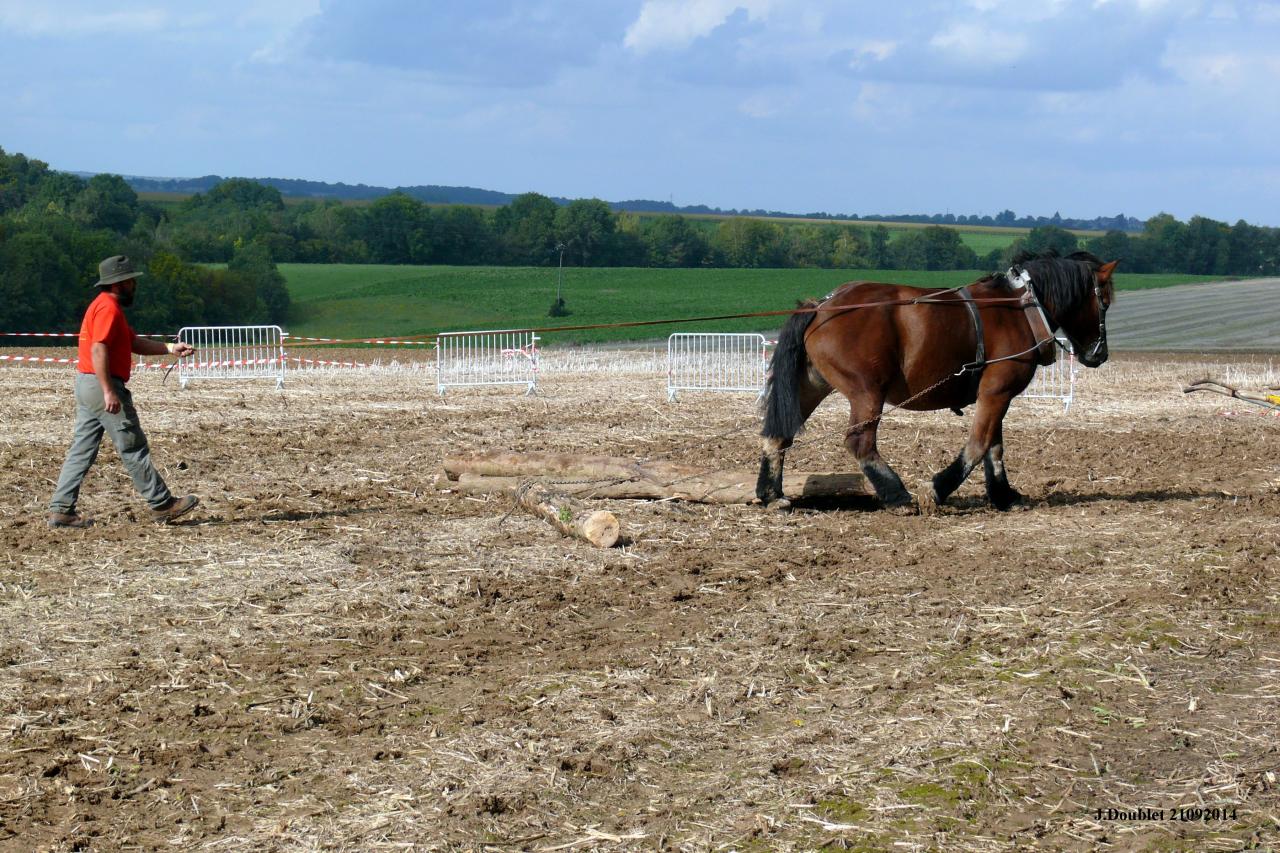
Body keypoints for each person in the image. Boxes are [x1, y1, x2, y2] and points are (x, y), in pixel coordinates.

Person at [47, 255, 200, 528]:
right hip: (100, 383)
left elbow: (133, 342)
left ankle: (61, 509)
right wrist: (109, 391)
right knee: (132, 445)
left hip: (86, 383)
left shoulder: (103, 307)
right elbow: (98, 348)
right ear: (119, 283)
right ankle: (162, 503)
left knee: (81, 450)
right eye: (131, 280)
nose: (134, 285)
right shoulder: (108, 309)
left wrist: (168, 348)